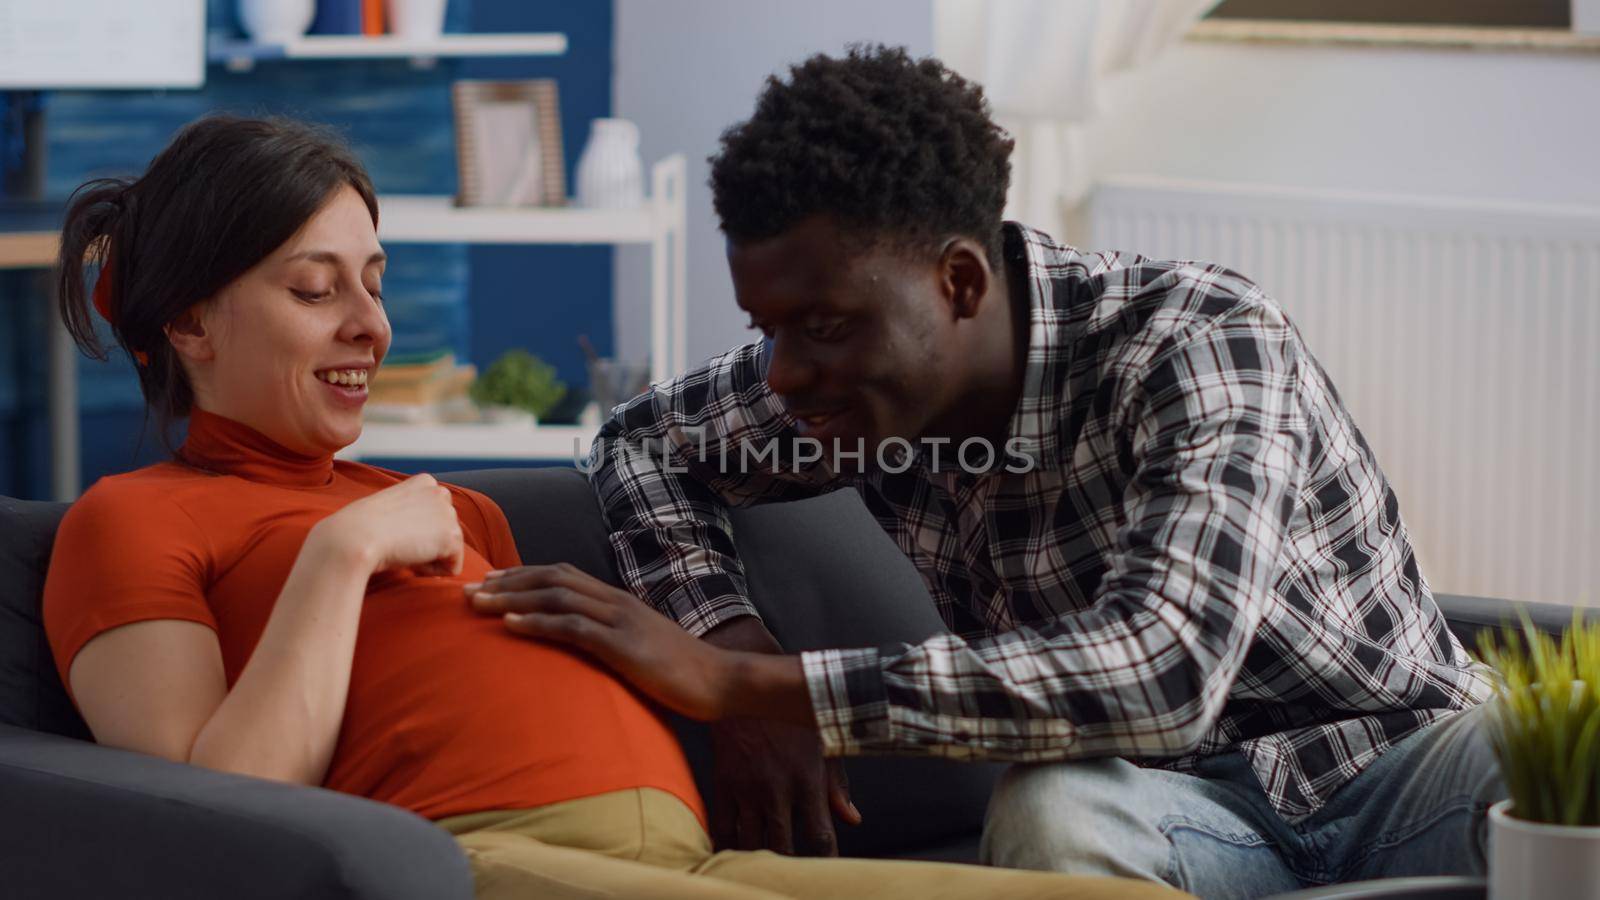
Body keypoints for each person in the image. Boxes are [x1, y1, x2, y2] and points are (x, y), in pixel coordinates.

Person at [41, 113, 1179, 900]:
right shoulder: (134, 519)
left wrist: (734, 687)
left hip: (693, 860)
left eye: (375, 281)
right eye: (313, 287)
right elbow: (211, 820)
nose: (370, 327)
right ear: (188, 324)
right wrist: (341, 553)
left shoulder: (437, 510)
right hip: (480, 864)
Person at [466, 45, 1505, 898]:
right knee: (1049, 809)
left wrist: (751, 686)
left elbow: (1167, 668)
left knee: (1545, 747)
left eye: (821, 326)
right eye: (766, 328)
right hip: (1169, 819)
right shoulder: (851, 390)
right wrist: (726, 640)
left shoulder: (1194, 339)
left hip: (1401, 772)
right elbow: (642, 443)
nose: (782, 375)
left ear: (957, 280)